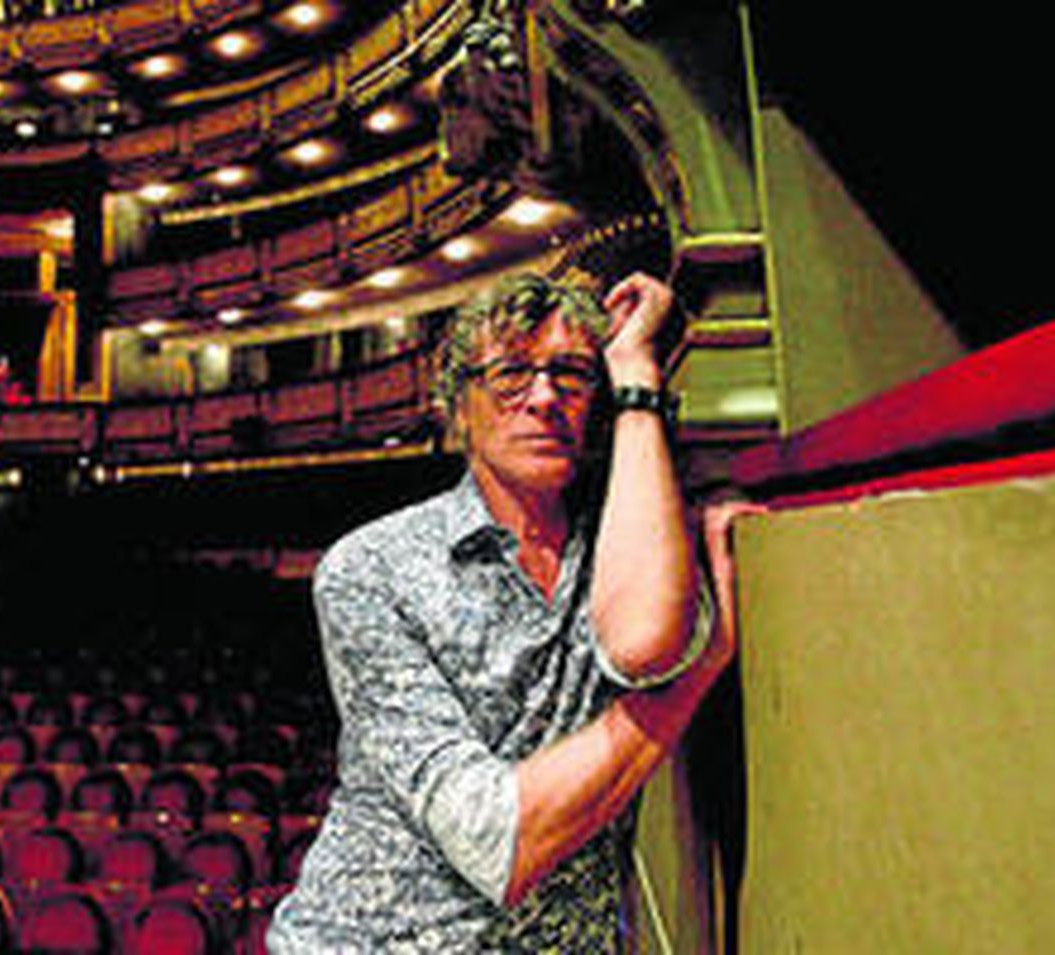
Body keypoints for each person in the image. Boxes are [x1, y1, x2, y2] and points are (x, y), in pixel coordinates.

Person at [266, 270, 737, 951]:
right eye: (511, 373)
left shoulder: (623, 540)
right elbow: (496, 842)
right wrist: (692, 680)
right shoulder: (370, 567)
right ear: (459, 406)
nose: (544, 397)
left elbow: (644, 646)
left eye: (571, 374)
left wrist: (635, 371)